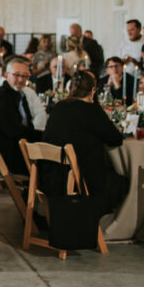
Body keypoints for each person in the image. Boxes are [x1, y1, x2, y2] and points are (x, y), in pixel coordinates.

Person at [42, 71, 125, 214]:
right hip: (79, 180)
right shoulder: (91, 110)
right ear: (93, 91)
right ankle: (97, 223)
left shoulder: (58, 107)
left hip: (49, 177)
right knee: (122, 182)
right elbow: (115, 139)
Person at [0, 56, 42, 175]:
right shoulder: (1, 97)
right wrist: (41, 137)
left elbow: (27, 125)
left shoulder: (20, 95)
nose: (21, 79)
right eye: (16, 75)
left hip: (18, 147)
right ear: (6, 75)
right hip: (7, 153)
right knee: (50, 161)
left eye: (25, 76)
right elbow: (13, 131)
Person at [118, 19, 144, 84]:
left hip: (139, 78)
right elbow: (118, 60)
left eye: (132, 30)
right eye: (128, 30)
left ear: (139, 29)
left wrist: (133, 60)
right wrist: (123, 61)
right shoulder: (123, 43)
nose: (129, 33)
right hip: (125, 77)